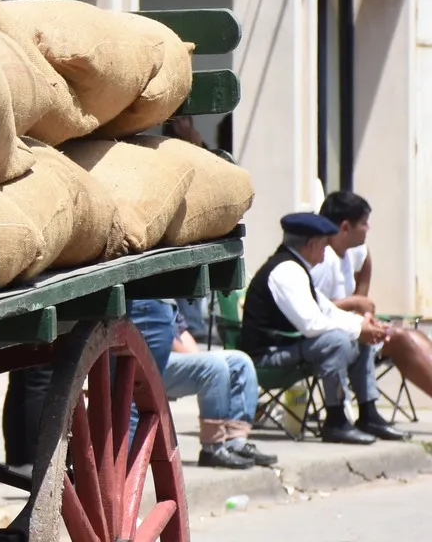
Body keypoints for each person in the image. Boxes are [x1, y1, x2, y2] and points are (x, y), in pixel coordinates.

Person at [238, 210, 391, 446]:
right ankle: (336, 421)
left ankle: (368, 413)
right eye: (323, 245)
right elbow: (311, 324)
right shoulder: (286, 271)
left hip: (288, 348)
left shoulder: (297, 268)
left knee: (359, 338)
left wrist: (364, 326)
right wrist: (357, 330)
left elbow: (327, 310)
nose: (325, 251)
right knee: (337, 341)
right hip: (267, 356)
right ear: (310, 245)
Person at [313, 190, 427, 432]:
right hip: (328, 341)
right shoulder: (322, 260)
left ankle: (369, 413)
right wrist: (355, 303)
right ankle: (368, 414)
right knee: (403, 339)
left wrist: (364, 314)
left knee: (412, 335)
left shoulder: (349, 253)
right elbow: (311, 309)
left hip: (350, 332)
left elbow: (365, 261)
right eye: (364, 223)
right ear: (345, 227)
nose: (369, 228)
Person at [127, 297, 276, 469]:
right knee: (214, 367)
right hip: (150, 360)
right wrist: (203, 365)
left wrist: (198, 359)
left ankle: (236, 443)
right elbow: (164, 337)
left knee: (240, 362)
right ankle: (212, 448)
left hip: (167, 354)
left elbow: (181, 333)